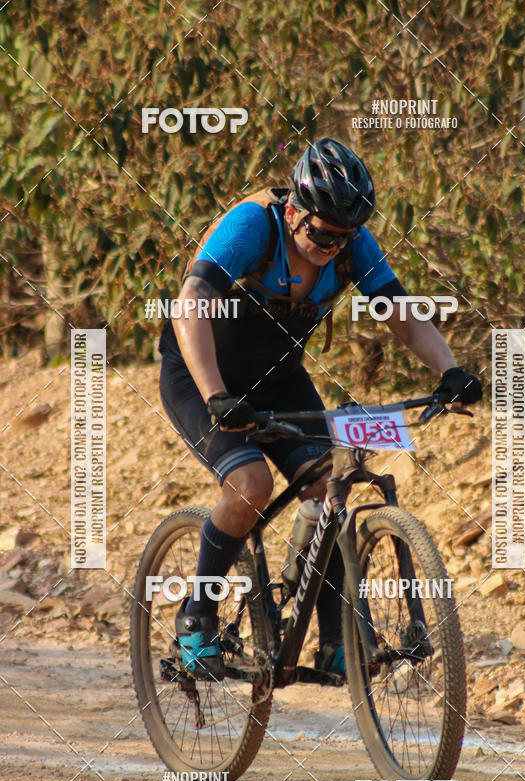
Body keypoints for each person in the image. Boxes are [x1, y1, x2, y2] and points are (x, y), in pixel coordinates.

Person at [158, 137, 481, 680]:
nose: (334, 247)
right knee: (250, 486)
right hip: (201, 373)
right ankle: (197, 614)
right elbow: (191, 302)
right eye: (324, 234)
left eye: (345, 237)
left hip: (279, 381)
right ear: (294, 211)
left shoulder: (352, 243)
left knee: (326, 490)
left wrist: (448, 370)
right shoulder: (252, 227)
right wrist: (215, 394)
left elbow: (399, 313)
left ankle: (334, 641)